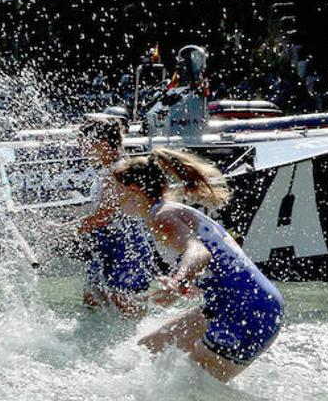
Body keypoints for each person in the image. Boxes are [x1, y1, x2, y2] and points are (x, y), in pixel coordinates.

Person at [109, 148, 282, 382]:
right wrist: (195, 285)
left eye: (116, 189)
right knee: (148, 349)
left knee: (195, 391)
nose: (113, 196)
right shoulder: (168, 211)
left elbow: (200, 252)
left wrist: (179, 282)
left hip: (248, 309)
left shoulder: (161, 216)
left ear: (134, 190)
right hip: (235, 303)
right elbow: (219, 264)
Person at [57, 116, 155, 316]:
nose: (83, 151)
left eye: (85, 145)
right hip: (106, 249)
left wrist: (66, 229)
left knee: (127, 309)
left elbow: (105, 215)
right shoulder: (109, 170)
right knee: (93, 301)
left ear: (101, 144)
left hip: (126, 251)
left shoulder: (118, 171)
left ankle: (146, 344)